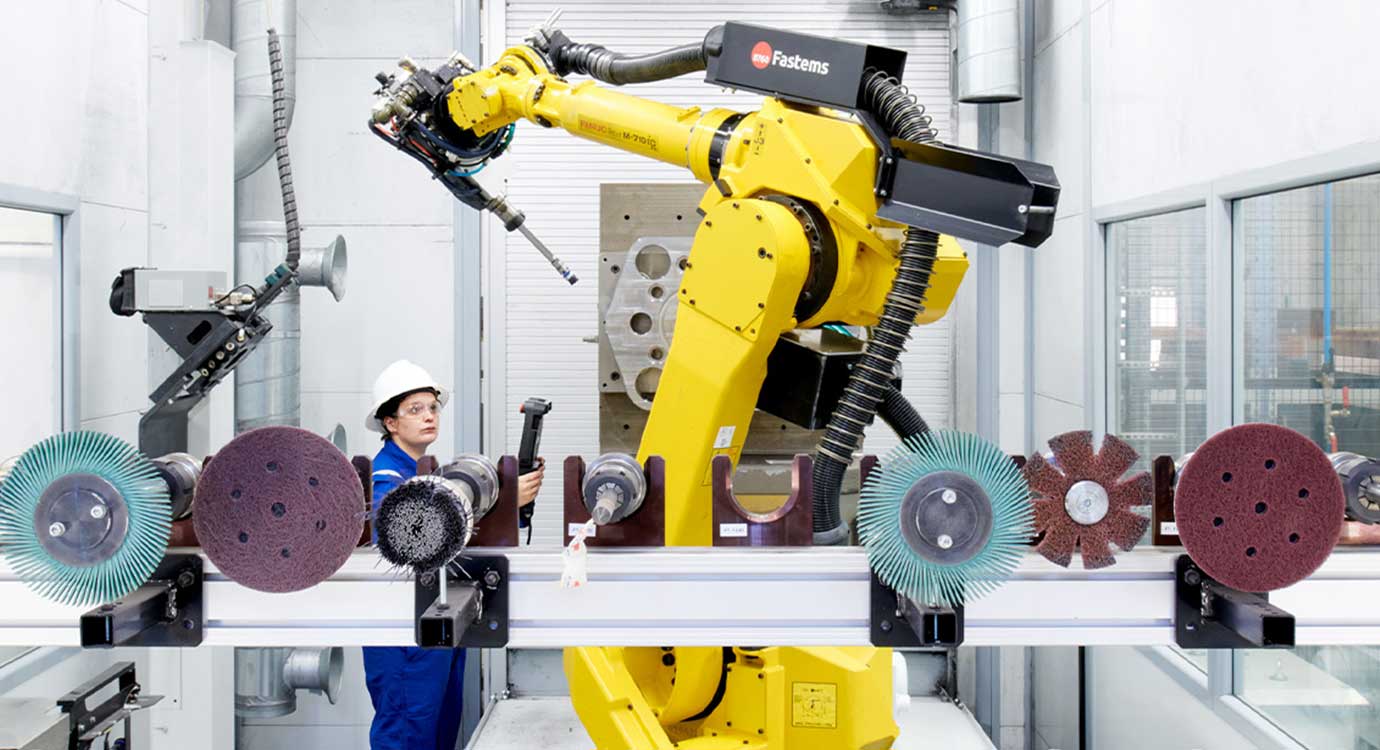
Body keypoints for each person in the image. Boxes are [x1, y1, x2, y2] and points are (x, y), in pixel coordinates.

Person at [361, 359, 543, 750]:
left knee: (441, 732)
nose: (429, 417)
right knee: (408, 734)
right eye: (415, 410)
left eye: (432, 408)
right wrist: (506, 505)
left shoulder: (425, 471)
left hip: (435, 623)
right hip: (404, 640)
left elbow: (451, 529)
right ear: (390, 423)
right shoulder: (386, 479)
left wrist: (501, 503)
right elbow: (410, 537)